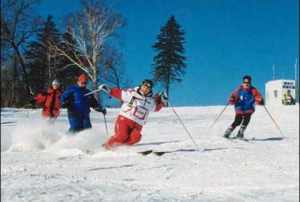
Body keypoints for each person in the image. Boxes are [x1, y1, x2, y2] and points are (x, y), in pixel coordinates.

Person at [98, 79, 168, 149]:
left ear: (150, 89)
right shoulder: (132, 93)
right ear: (141, 86)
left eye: (148, 88)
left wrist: (162, 101)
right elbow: (119, 93)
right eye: (144, 86)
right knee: (122, 135)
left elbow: (156, 108)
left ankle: (122, 147)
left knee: (136, 137)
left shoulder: (150, 101)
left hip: (138, 125)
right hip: (125, 120)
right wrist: (109, 90)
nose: (145, 89)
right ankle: (105, 147)